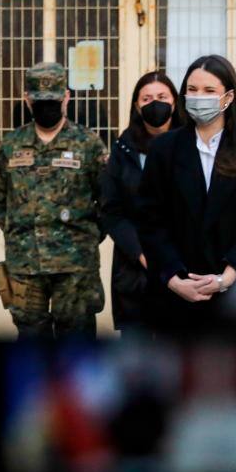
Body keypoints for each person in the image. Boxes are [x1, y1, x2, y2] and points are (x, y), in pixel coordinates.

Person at [135, 54, 236, 472]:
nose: (197, 98)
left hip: (229, 295)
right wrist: (173, 277)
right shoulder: (166, 150)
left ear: (228, 97)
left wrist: (230, 274)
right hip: (175, 293)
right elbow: (150, 221)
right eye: (191, 89)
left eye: (208, 90)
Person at [0, 62, 108, 338]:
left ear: (66, 97)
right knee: (31, 341)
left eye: (52, 101)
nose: (46, 107)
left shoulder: (88, 144)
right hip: (25, 263)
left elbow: (107, 198)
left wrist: (86, 237)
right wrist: (20, 232)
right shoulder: (11, 145)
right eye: (39, 102)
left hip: (76, 266)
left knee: (77, 342)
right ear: (27, 99)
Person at [100, 71, 184, 332]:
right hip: (135, 270)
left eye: (162, 97)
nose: (154, 103)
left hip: (184, 268)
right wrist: (142, 253)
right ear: (137, 105)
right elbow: (111, 211)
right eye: (146, 98)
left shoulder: (191, 144)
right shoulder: (123, 148)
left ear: (174, 102)